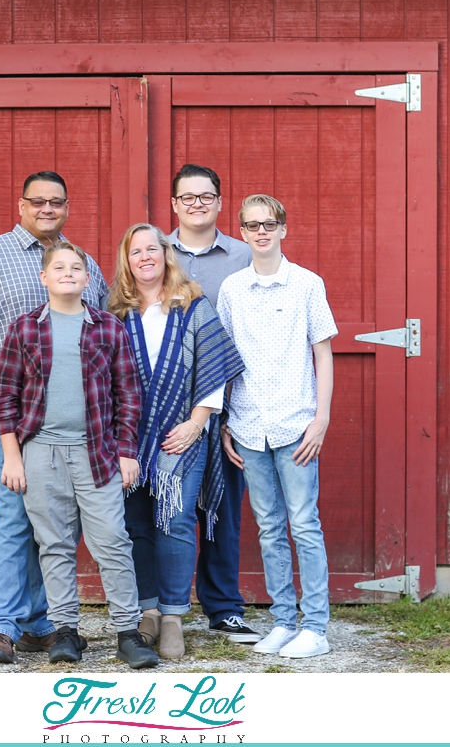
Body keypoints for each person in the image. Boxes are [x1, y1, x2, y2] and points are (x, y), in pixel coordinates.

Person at [0, 172, 108, 664]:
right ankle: (2, 627)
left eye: (56, 202)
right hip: (12, 417)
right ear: (21, 205)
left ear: (66, 207)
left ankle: (40, 622)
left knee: (55, 522)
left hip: (73, 422)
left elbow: (104, 328)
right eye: (37, 201)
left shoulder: (82, 262)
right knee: (16, 515)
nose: (47, 208)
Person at [0, 241, 159, 670]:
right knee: (55, 544)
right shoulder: (24, 329)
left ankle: (127, 631)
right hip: (40, 453)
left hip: (97, 452)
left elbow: (129, 396)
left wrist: (126, 452)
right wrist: (12, 456)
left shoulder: (106, 327)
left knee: (113, 543)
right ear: (44, 277)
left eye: (77, 267)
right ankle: (66, 631)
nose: (68, 273)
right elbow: (5, 397)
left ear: (88, 279)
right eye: (59, 267)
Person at [108, 224, 245, 658]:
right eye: (136, 252)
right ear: (126, 262)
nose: (145, 257)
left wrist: (196, 422)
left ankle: (171, 616)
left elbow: (214, 365)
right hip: (128, 436)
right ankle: (146, 611)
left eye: (153, 248)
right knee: (136, 527)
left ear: (167, 255)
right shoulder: (116, 312)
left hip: (181, 435)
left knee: (176, 522)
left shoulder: (192, 305)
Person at [217, 194, 338, 659]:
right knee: (268, 526)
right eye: (251, 225)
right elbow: (225, 361)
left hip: (295, 426)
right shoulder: (232, 289)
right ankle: (284, 621)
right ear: (243, 233)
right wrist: (227, 421)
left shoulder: (307, 285)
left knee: (304, 524)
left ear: (284, 229)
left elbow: (322, 354)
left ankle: (316, 627)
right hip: (249, 425)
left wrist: (320, 419)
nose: (261, 232)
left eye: (269, 224)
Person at [165, 164, 260, 645]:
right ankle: (161, 607)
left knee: (222, 506)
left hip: (229, 403)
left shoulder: (245, 256)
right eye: (188, 197)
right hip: (165, 405)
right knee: (166, 507)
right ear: (174, 204)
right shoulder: (154, 253)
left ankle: (223, 607)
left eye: (207, 196)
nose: (198, 203)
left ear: (221, 202)